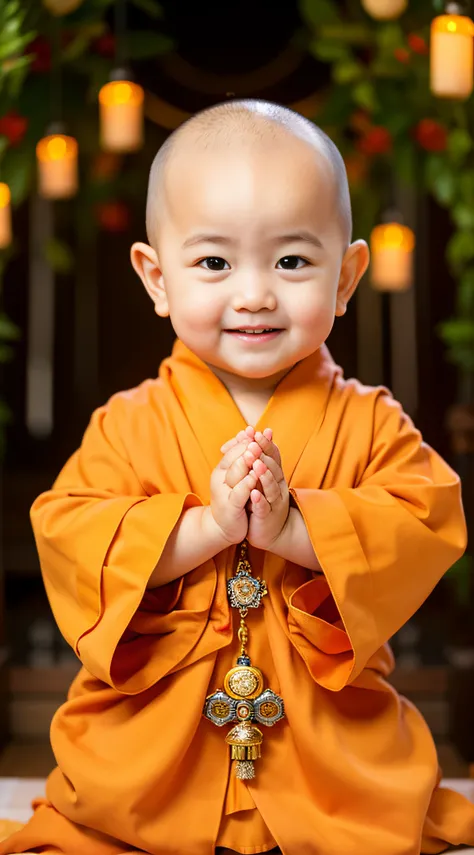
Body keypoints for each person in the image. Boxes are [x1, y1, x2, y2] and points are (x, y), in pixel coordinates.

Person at [1, 98, 473, 855]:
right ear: (157, 277)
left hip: (331, 756)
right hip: (152, 755)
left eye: (291, 260)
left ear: (348, 274)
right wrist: (203, 530)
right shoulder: (127, 423)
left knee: (376, 809)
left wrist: (297, 529)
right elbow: (69, 530)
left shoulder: (373, 422)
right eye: (215, 262)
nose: (254, 292)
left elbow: (426, 517)